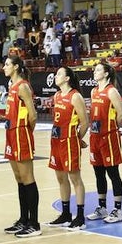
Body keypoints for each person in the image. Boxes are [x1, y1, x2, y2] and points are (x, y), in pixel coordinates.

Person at [1, 55, 40, 237]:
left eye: (7, 64)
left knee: (27, 177)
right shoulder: (12, 86)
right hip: (11, 134)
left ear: (16, 67)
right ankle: (23, 219)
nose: (4, 67)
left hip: (20, 134)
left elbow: (33, 115)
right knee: (19, 178)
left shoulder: (23, 86)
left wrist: (25, 131)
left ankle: (34, 223)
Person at [48, 66, 89, 229]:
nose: (55, 76)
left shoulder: (75, 96)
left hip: (69, 141)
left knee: (75, 179)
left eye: (59, 74)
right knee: (61, 178)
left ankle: (80, 216)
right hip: (56, 140)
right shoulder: (57, 95)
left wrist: (77, 139)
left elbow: (84, 122)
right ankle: (65, 214)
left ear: (67, 78)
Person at [87, 62, 122, 223]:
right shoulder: (94, 91)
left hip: (109, 137)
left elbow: (121, 115)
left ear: (106, 73)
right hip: (95, 137)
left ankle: (117, 210)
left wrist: (112, 129)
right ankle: (102, 207)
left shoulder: (111, 91)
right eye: (94, 70)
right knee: (98, 172)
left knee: (113, 172)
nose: (94, 72)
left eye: (98, 70)